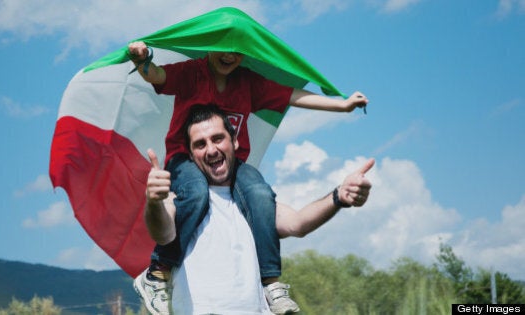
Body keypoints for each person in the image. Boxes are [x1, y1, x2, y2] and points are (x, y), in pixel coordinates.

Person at [128, 41, 369, 315]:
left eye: (237, 50)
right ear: (209, 46)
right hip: (182, 163)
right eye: (223, 47)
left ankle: (271, 284)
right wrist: (142, 60)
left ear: (233, 139)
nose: (229, 55)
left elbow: (292, 96)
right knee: (195, 190)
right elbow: (156, 75)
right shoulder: (193, 73)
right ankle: (158, 272)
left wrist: (342, 106)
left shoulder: (249, 84)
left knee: (261, 191)